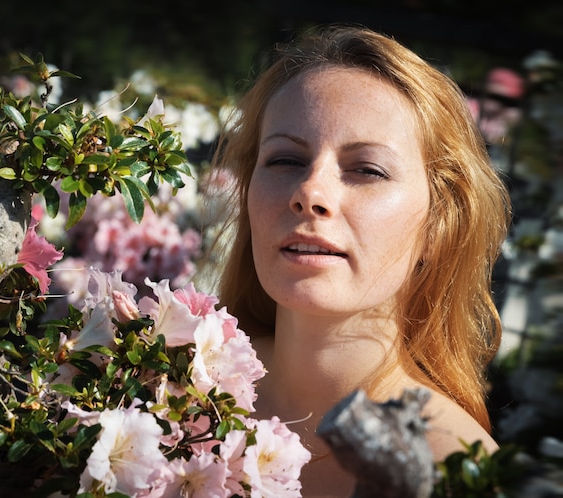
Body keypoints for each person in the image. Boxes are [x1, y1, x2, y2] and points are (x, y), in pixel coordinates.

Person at [207, 25, 511, 496]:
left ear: (439, 224)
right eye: (285, 160)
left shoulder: (450, 473)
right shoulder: (167, 379)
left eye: (367, 169)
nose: (310, 192)